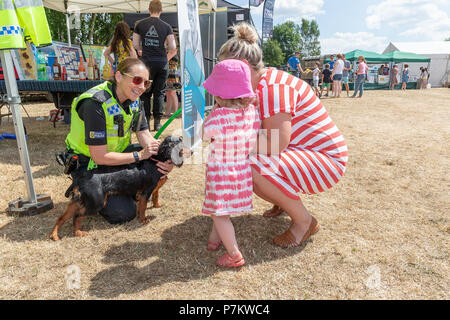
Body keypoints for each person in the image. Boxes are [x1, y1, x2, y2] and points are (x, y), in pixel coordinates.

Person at [218, 23, 348, 248]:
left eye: (225, 70)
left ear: (244, 66)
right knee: (246, 160)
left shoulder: (272, 88)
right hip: (308, 153)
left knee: (251, 164)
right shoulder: (263, 83)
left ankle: (304, 222)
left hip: (327, 160)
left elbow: (275, 143)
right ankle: (283, 201)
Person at [64, 58, 174, 220]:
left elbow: (143, 134)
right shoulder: (95, 103)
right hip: (89, 164)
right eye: (137, 80)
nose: (142, 87)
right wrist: (140, 155)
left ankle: (120, 190)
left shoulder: (135, 102)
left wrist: (162, 160)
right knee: (124, 212)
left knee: (150, 161)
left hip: (118, 157)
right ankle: (84, 187)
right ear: (118, 76)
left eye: (146, 83)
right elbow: (99, 156)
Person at [201, 59, 261, 267]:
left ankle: (234, 254)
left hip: (221, 172)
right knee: (222, 210)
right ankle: (214, 239)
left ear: (219, 93)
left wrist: (210, 113)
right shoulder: (251, 113)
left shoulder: (218, 116)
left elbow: (204, 135)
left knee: (219, 214)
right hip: (241, 171)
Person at [133, 0, 177, 131]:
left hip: (146, 62)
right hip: (161, 63)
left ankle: (145, 121)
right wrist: (164, 58)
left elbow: (135, 44)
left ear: (149, 9)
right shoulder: (167, 26)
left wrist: (143, 48)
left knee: (145, 92)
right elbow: (173, 47)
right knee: (159, 92)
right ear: (161, 11)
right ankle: (157, 123)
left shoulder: (140, 24)